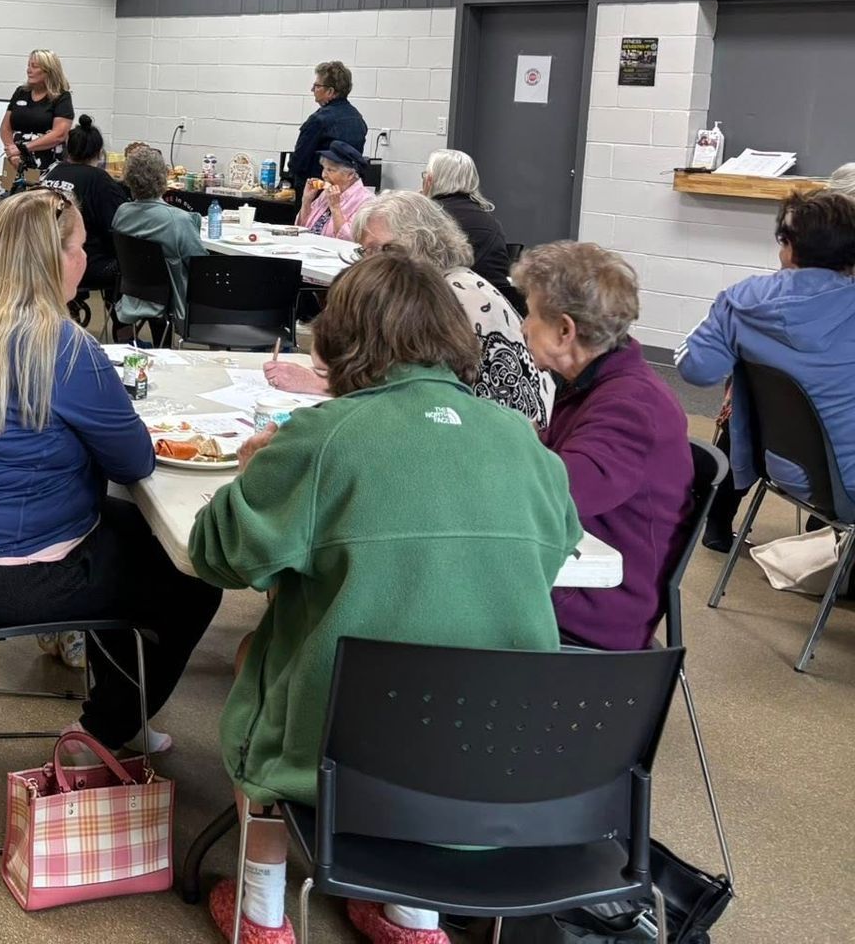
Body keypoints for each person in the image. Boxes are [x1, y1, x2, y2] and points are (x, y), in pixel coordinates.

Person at [190, 252, 579, 944]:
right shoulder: (524, 444)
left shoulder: (321, 437)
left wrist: (251, 476)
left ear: (342, 339)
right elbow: (554, 550)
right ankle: (411, 915)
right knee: (432, 659)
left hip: (342, 756)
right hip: (499, 764)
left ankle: (261, 911)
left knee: (265, 663)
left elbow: (216, 556)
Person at [0, 189, 222, 756]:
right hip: (21, 578)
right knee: (192, 575)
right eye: (79, 246)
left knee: (129, 534)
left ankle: (117, 704)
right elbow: (133, 462)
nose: (85, 257)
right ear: (54, 260)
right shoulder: (65, 348)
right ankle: (107, 729)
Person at [514, 242, 694, 653]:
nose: (524, 327)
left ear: (565, 331)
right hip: (574, 582)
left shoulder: (631, 406)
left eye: (530, 314)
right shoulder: (599, 383)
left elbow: (558, 492)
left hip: (594, 610)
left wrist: (502, 442)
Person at [269, 192, 551, 427]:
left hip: (490, 438)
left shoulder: (449, 297)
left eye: (383, 250)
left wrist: (320, 384)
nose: (371, 263)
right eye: (366, 252)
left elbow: (410, 393)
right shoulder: (443, 286)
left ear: (423, 241)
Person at [677, 189, 855, 549]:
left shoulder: (741, 301)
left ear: (788, 246)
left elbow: (696, 368)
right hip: (847, 485)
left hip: (780, 465)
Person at [110, 147, 205, 340]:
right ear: (163, 178)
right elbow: (199, 265)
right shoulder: (178, 220)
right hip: (170, 298)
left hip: (131, 291)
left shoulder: (121, 212)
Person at [421, 147, 521, 308]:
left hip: (447, 310)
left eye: (425, 176)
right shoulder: (491, 224)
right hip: (495, 307)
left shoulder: (427, 219)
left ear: (430, 180)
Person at [39, 114, 127, 297]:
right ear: (99, 152)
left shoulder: (52, 173)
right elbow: (119, 225)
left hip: (44, 258)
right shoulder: (99, 180)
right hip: (85, 262)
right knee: (130, 262)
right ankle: (122, 324)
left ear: (68, 149)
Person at [287, 60, 367, 194]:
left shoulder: (318, 120)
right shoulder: (358, 118)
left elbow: (298, 163)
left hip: (318, 192)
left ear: (330, 91)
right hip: (348, 192)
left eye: (317, 86)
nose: (312, 90)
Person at [0, 49, 74, 186]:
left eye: (34, 66)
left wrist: (24, 149)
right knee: (8, 201)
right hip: (14, 160)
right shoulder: (21, 92)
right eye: (28, 65)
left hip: (43, 161)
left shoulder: (61, 97)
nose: (29, 70)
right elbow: (5, 127)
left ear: (48, 70)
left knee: (34, 201)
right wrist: (13, 153)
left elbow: (59, 134)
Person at [294, 141, 371, 240]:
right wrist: (306, 201)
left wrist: (335, 208)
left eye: (330, 170)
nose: (323, 175)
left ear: (350, 175)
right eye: (324, 169)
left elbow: (350, 240)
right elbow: (300, 229)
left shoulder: (366, 202)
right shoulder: (326, 194)